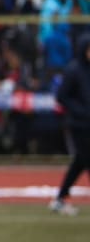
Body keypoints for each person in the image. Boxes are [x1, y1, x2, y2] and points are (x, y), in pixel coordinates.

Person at [49, 33, 90, 216]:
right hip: (79, 124)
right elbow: (62, 96)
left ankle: (60, 197)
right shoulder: (74, 70)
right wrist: (80, 110)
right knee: (86, 158)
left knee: (80, 161)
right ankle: (60, 197)